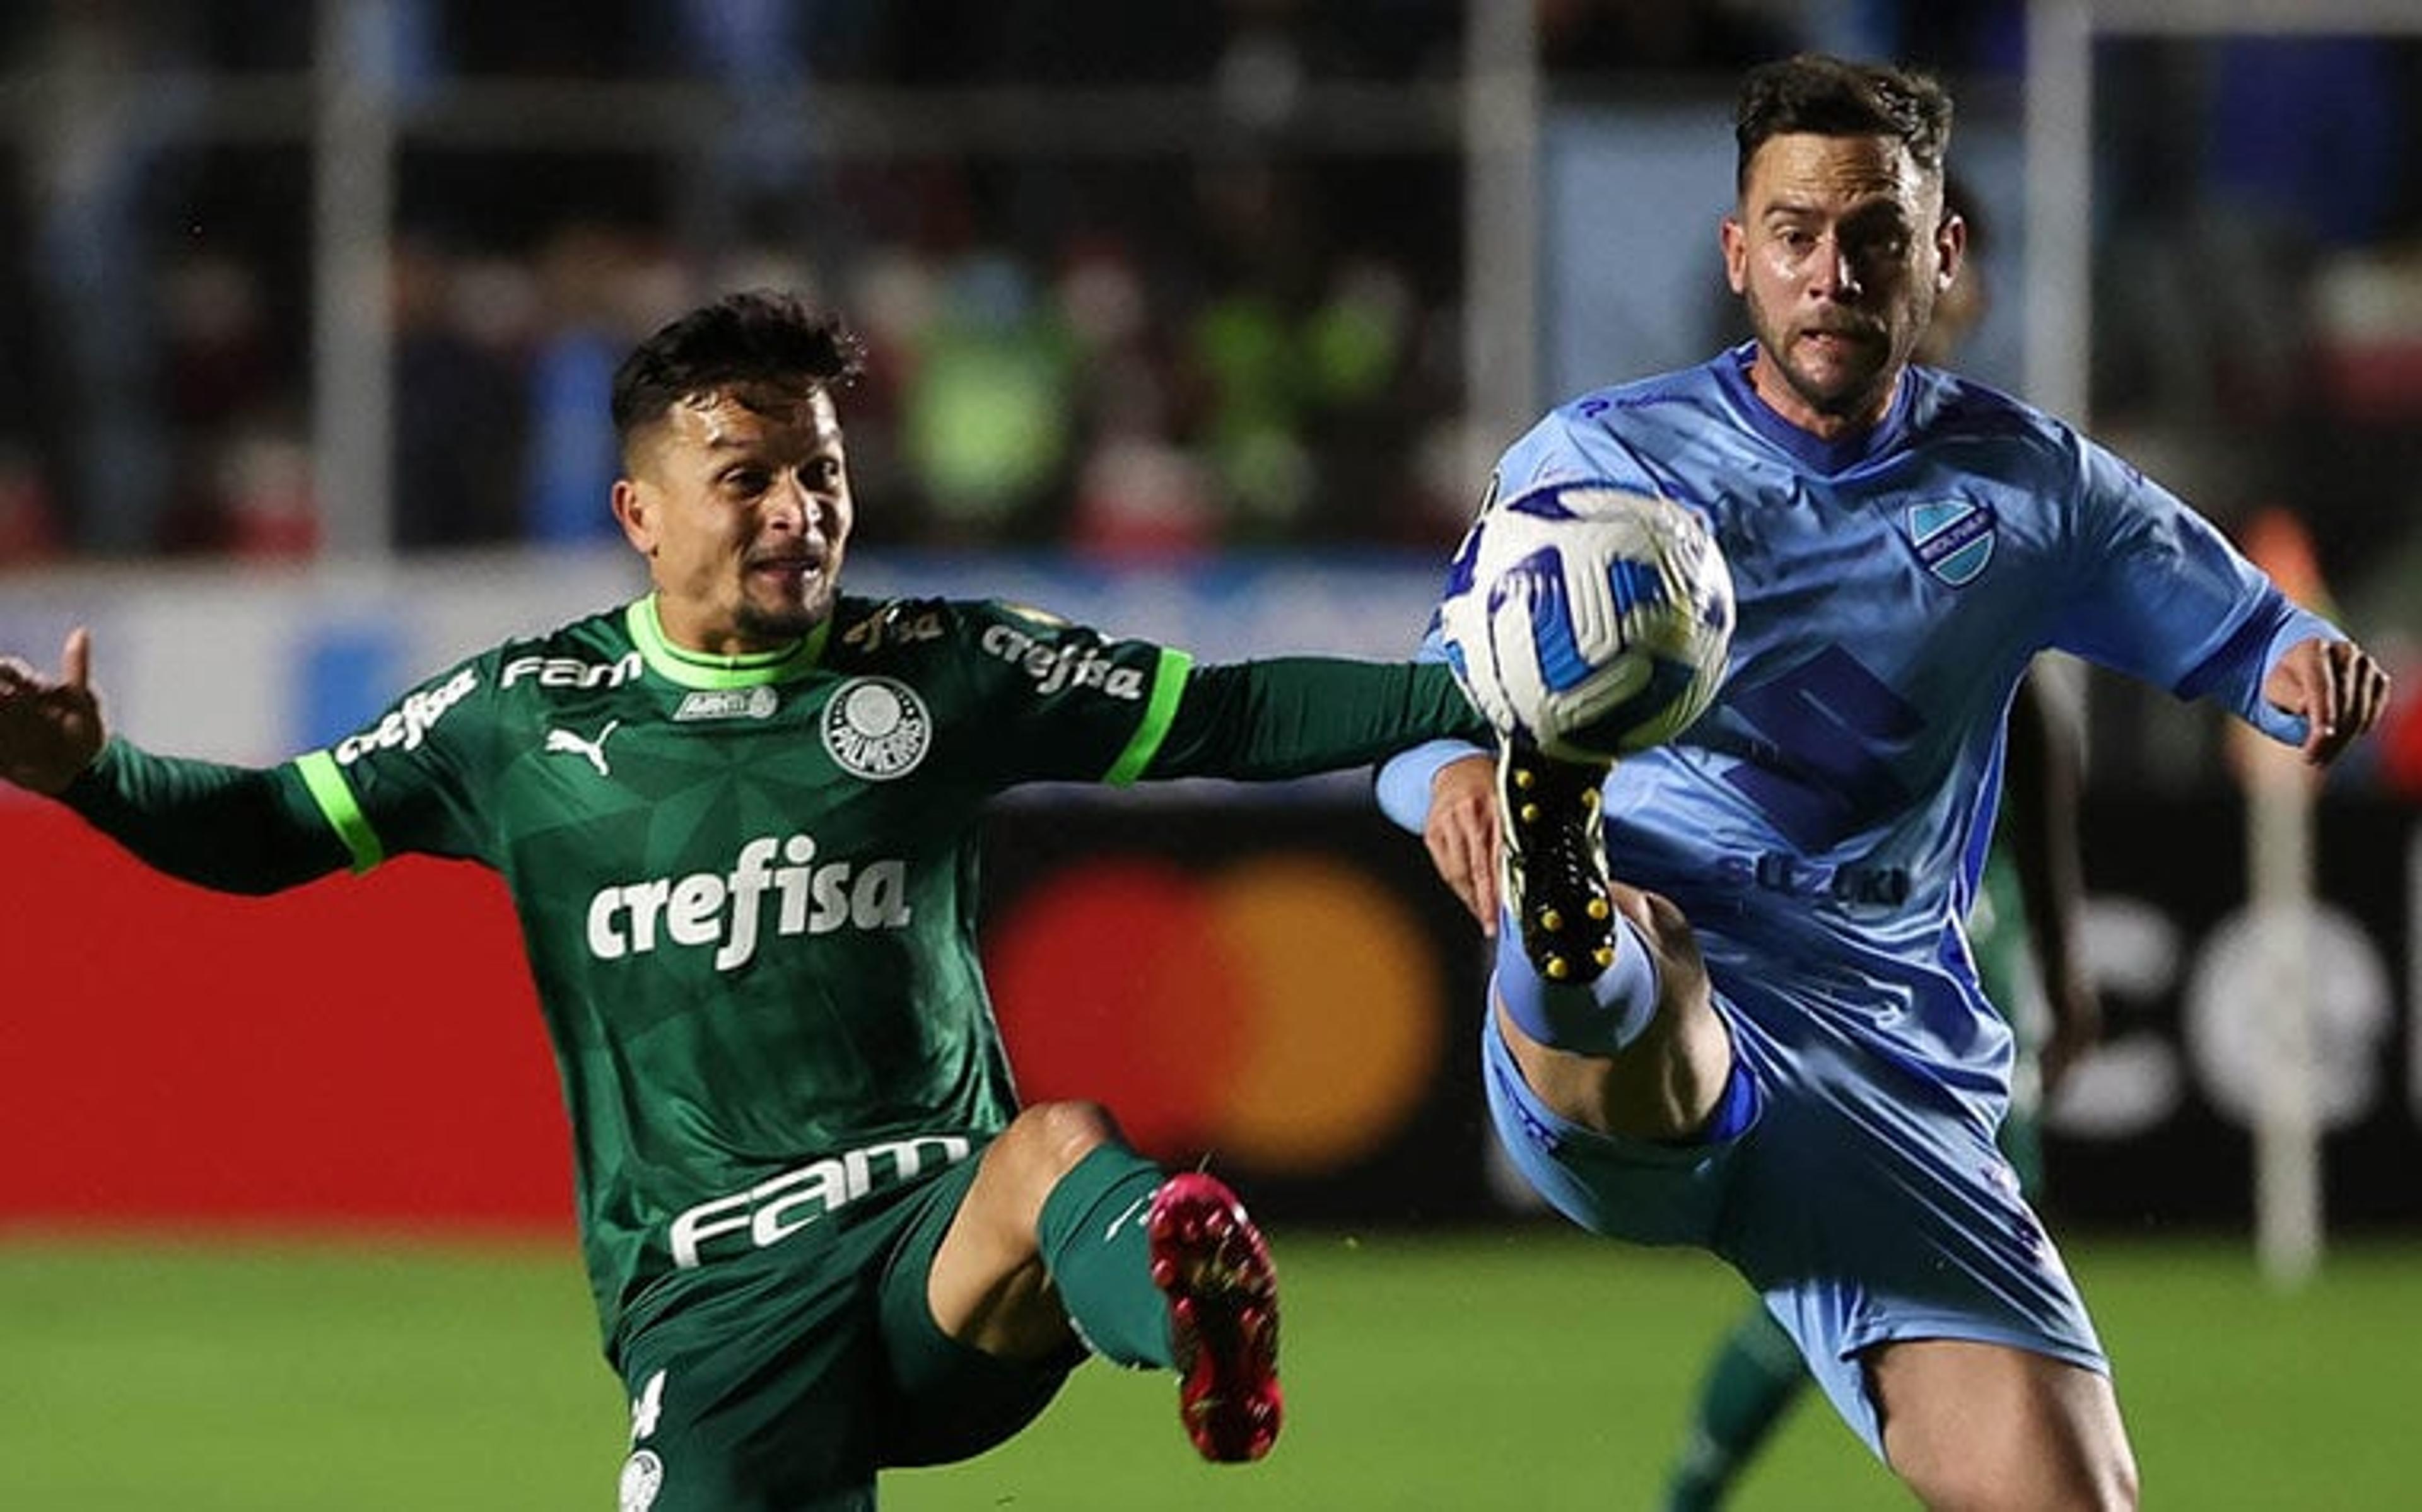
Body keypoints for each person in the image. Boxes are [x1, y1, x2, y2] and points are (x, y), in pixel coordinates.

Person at [0, 290, 1489, 1510]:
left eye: (823, 473)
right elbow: (271, 828)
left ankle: (1194, 1325)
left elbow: (1230, 714)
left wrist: (1479, 690)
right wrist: (98, 773)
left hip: (932, 1248)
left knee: (1056, 1151)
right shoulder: (520, 719)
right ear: (641, 511)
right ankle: (1167, 1287)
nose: (798, 511)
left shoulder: (942, 667)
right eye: (750, 480)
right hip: (713, 1301)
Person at [1376, 54, 2389, 1511]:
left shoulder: (2032, 491)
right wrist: (1462, 771)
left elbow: (2248, 627)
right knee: (1640, 952)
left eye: (1872, 238)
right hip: (1663, 1003)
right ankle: (1568, 905)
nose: (1830, 272)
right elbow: (1422, 718)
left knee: (2082, 1497)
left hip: (1889, 1070)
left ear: (1941, 253)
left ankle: (1580, 914)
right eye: (1794, 235)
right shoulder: (1601, 464)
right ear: (1742, 258)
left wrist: (2306, 664)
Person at [1657, 173, 2100, 1511]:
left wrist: (2060, 953)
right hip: (1848, 898)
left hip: (1967, 898)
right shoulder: (1773, 462)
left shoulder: (1987, 459)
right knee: (1915, 1229)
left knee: (1953, 1219)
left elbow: (2034, 733)